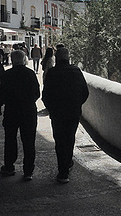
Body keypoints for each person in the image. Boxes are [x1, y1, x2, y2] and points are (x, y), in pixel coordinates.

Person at [42, 47, 89, 183]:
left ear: (57, 58)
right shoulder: (76, 71)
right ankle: (67, 164)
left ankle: (62, 171)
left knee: (59, 140)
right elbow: (85, 92)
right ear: (68, 58)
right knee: (69, 139)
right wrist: (76, 105)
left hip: (57, 114)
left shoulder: (52, 73)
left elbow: (46, 95)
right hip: (73, 113)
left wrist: (52, 109)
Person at [0, 50, 40, 180]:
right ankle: (28, 171)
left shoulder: (7, 74)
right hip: (28, 112)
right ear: (24, 59)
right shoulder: (30, 74)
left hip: (11, 112)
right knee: (29, 141)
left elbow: (1, 93)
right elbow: (37, 93)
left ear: (13, 61)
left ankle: (9, 167)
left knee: (10, 139)